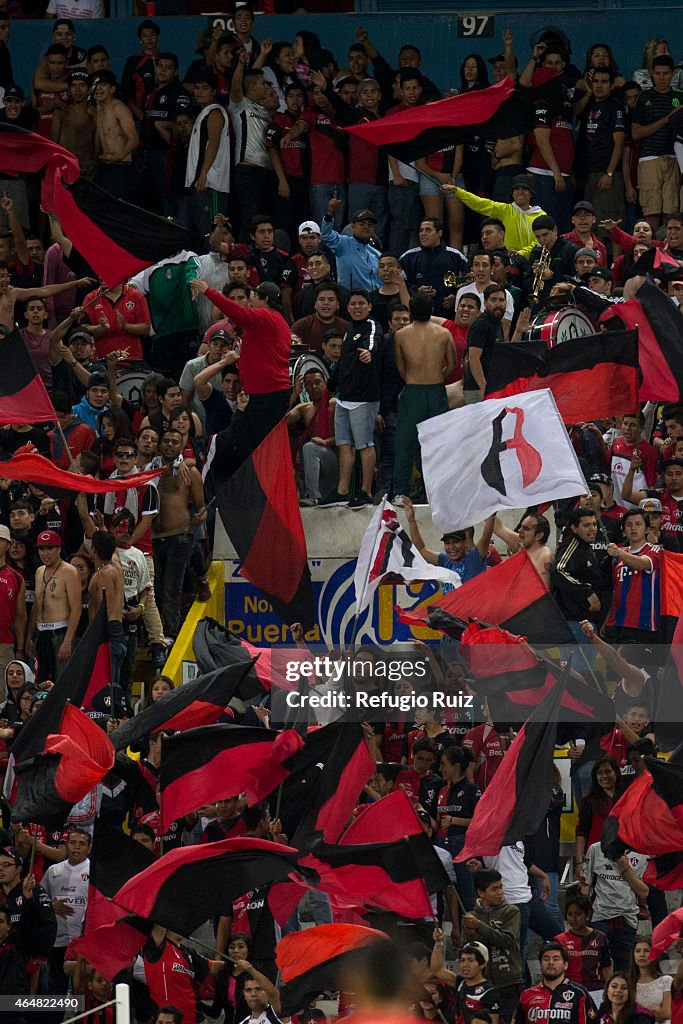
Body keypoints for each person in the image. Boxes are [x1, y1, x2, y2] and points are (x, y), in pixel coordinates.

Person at [190, 278, 291, 473]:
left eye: (252, 298)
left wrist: (207, 291)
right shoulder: (278, 321)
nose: (249, 303)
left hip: (266, 395)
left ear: (264, 299)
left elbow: (237, 312)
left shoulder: (265, 316)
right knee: (261, 447)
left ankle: (256, 494)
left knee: (255, 447)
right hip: (269, 393)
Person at [318, 289, 380, 509]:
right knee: (344, 444)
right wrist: (332, 384)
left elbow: (372, 343)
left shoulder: (371, 326)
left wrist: (368, 353)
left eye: (361, 303)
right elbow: (344, 360)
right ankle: (342, 491)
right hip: (344, 398)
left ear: (369, 306)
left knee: (365, 444)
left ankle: (365, 491)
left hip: (364, 398)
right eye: (353, 304)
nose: (357, 307)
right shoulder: (348, 328)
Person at [391, 293, 455, 504]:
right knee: (439, 442)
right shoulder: (444, 333)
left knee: (405, 442)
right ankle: (440, 491)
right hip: (436, 390)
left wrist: (413, 380)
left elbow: (400, 367)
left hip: (413, 390)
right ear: (432, 310)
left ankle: (401, 492)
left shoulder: (401, 335)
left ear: (410, 311)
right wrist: (437, 378)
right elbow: (452, 365)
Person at [152, 429, 207, 641]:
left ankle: (171, 634)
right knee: (156, 588)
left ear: (181, 445)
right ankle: (159, 634)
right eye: (165, 440)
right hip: (154, 538)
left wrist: (200, 517)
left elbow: (201, 506)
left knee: (170, 588)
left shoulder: (190, 472)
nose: (169, 445)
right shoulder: (149, 469)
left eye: (175, 442)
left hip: (179, 536)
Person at [463, 869, 523, 1022]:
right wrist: (470, 934)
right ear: (481, 893)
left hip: (508, 982)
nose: (500, 892)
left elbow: (507, 941)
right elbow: (469, 950)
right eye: (494, 889)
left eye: (501, 887)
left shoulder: (511, 911)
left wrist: (479, 926)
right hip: (482, 984)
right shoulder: (472, 916)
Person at [630, 55, 682, 230]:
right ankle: (651, 254)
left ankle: (669, 254)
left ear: (673, 73)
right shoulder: (644, 98)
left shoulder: (680, 97)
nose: (661, 78)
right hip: (649, 158)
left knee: (672, 211)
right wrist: (667, 119)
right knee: (651, 211)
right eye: (658, 73)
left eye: (666, 74)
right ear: (651, 73)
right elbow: (636, 133)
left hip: (674, 159)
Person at [442, 175, 545, 258]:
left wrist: (521, 253)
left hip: (533, 261)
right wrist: (458, 192)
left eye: (525, 189)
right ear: (512, 194)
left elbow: (539, 241)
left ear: (531, 194)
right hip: (508, 260)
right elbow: (480, 203)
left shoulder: (540, 215)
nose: (520, 192)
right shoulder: (504, 209)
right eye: (516, 189)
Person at [582, 844, 648, 971]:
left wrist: (624, 866)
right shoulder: (596, 849)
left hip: (626, 919)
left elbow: (643, 892)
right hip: (600, 916)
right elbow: (586, 885)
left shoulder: (640, 854)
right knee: (595, 966)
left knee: (624, 969)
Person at [28, 530, 81, 684]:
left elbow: (76, 608)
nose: (45, 553)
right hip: (41, 633)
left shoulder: (69, 572)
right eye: (41, 549)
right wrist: (29, 637)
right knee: (38, 684)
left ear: (58, 549)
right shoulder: (39, 572)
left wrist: (68, 640)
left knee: (62, 684)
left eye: (49, 548)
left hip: (60, 632)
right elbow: (37, 606)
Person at [42, 829, 91, 994]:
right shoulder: (53, 871)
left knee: (83, 991)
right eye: (72, 843)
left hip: (85, 943)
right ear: (66, 845)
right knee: (56, 992)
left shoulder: (96, 872)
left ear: (89, 848)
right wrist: (51, 906)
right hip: (57, 941)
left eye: (82, 844)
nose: (76, 847)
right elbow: (39, 900)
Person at [604, 509, 662, 646]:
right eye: (629, 525)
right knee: (614, 666)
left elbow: (642, 564)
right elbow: (615, 590)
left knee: (639, 667)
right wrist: (608, 617)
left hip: (643, 624)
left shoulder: (655, 550)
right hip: (618, 622)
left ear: (647, 529)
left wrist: (619, 552)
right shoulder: (617, 557)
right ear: (624, 530)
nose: (633, 528)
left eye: (638, 524)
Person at [404, 497, 494, 583]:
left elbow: (486, 537)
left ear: (465, 543)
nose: (451, 547)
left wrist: (491, 511)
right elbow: (421, 550)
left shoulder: (474, 559)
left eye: (455, 542)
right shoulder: (445, 560)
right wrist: (411, 521)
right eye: (447, 543)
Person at [551, 509, 605, 644]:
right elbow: (558, 570)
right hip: (576, 622)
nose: (592, 529)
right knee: (578, 665)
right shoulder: (572, 545)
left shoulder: (586, 547)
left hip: (586, 621)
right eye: (586, 525)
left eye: (594, 524)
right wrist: (587, 592)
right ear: (574, 528)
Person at [437, 746, 480, 911]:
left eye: (443, 764)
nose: (440, 769)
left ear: (455, 766)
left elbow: (479, 821)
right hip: (440, 844)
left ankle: (469, 935)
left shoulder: (471, 790)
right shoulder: (442, 790)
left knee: (465, 895)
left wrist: (454, 820)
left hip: (461, 846)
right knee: (440, 894)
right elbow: (438, 822)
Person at [514, 941, 598, 1024]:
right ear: (540, 965)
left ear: (565, 965)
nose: (550, 963)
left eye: (556, 959)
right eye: (546, 959)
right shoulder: (526, 995)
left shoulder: (579, 993)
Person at [399, 217, 467, 317]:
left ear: (439, 233)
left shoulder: (455, 256)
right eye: (421, 230)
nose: (423, 233)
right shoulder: (407, 258)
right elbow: (399, 282)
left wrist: (456, 296)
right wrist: (416, 291)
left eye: (428, 230)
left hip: (447, 315)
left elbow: (469, 279)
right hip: (417, 315)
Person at [556, 893, 613, 1005]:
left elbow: (606, 968)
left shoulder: (600, 937)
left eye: (578, 914)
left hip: (596, 991)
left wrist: (609, 989)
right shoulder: (559, 940)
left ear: (587, 914)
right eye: (570, 914)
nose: (573, 919)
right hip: (568, 992)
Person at [88, 530, 127, 688]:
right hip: (115, 630)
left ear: (93, 550)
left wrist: (99, 637)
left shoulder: (105, 574)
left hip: (107, 632)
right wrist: (100, 526)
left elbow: (107, 607)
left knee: (107, 689)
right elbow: (115, 552)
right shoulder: (116, 566)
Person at [320, 201, 382, 291]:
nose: (366, 227)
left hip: (372, 301)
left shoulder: (377, 254)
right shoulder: (343, 243)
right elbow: (326, 235)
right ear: (353, 226)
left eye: (370, 225)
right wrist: (329, 214)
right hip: (349, 299)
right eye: (362, 224)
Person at [493, 514, 553, 588]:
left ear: (539, 535)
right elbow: (498, 528)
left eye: (526, 528)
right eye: (521, 527)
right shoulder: (522, 543)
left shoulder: (544, 554)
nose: (519, 530)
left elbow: (542, 591)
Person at [0, 525, 26, 690]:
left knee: (2, 694)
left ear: (8, 545)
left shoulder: (16, 578)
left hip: (4, 644)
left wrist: (20, 649)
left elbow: (20, 616)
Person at [628, 938, 672, 1023]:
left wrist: (640, 1012)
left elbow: (666, 1014)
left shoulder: (666, 980)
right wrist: (654, 1011)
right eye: (637, 951)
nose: (642, 954)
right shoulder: (627, 981)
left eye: (646, 951)